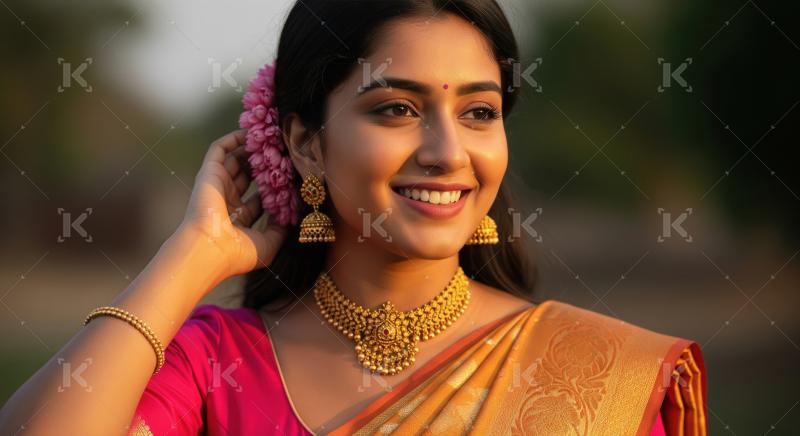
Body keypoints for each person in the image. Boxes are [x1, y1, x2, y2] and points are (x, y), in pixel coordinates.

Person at [0, 1, 707, 434]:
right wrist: (193, 254)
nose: (446, 151)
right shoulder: (218, 364)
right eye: (395, 109)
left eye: (479, 112)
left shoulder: (592, 374)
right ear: (306, 143)